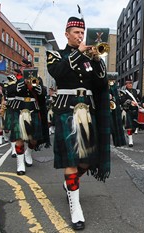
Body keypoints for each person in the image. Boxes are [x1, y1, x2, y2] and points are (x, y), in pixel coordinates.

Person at [46, 15, 110, 230]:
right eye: (76, 32)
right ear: (67, 34)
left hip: (87, 110)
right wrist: (79, 52)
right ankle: (75, 207)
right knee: (71, 160)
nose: (81, 36)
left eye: (82, 33)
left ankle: (69, 184)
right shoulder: (55, 55)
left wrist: (97, 60)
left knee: (87, 161)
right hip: (67, 109)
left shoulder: (89, 59)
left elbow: (101, 84)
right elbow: (58, 73)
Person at [7, 58, 48, 175]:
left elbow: (43, 92)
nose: (24, 68)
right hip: (19, 109)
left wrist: (36, 86)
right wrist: (23, 84)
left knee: (34, 139)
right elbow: (9, 91)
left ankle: (28, 153)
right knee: (19, 138)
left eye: (27, 66)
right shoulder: (14, 78)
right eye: (22, 66)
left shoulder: (37, 78)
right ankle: (20, 164)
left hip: (33, 109)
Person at [120, 78, 140, 147]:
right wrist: (130, 102)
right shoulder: (123, 92)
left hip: (136, 110)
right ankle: (130, 140)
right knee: (129, 126)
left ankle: (129, 135)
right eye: (128, 83)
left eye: (131, 83)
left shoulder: (135, 91)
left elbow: (139, 99)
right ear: (126, 84)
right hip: (128, 110)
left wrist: (142, 104)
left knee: (135, 126)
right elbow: (122, 101)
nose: (130, 84)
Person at [109, 75, 126, 147]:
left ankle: (117, 141)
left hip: (113, 109)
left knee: (114, 127)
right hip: (105, 107)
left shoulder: (113, 86)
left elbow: (118, 99)